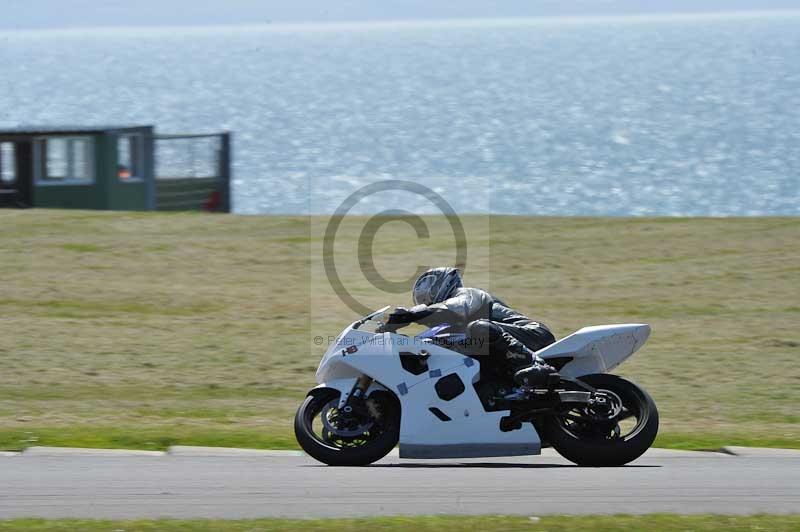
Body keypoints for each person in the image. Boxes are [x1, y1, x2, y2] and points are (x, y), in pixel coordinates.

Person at [384, 267, 560, 387]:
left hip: (533, 335)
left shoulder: (468, 294)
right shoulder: (451, 324)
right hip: (503, 348)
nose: (427, 304)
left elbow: (457, 307)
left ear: (440, 287)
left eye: (427, 299)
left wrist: (412, 314)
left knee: (479, 327)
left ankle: (536, 364)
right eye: (423, 302)